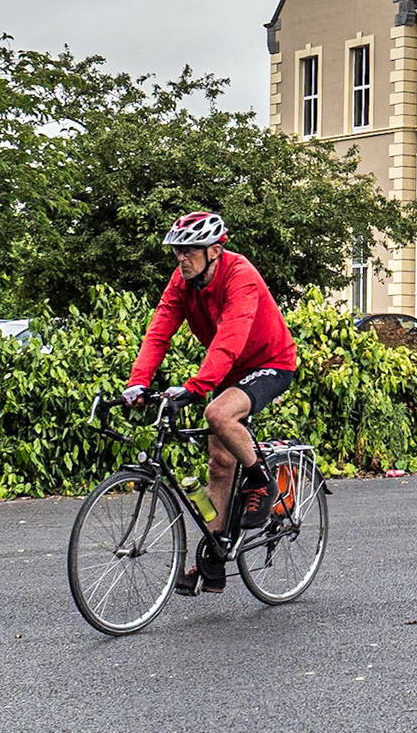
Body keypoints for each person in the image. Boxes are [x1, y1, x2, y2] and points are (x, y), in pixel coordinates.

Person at [122, 211, 298, 596]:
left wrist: (196, 387)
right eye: (177, 251)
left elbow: (231, 338)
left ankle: (262, 481)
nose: (181, 257)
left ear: (215, 250)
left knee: (218, 413)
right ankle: (214, 560)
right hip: (231, 370)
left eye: (189, 250)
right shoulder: (182, 282)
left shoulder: (240, 275)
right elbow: (159, 332)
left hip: (270, 363)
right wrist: (138, 382)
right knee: (219, 462)